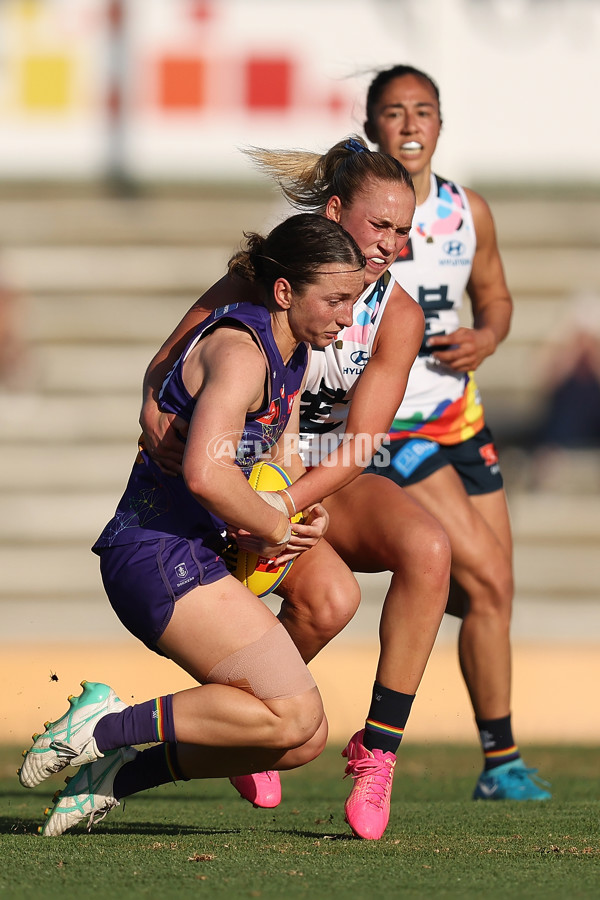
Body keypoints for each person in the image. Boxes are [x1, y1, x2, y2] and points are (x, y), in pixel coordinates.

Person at [139, 137, 452, 840]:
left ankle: (378, 750)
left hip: (320, 477)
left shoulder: (397, 316)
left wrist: (284, 502)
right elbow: (167, 361)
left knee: (430, 549)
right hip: (247, 475)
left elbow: (361, 445)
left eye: (403, 231)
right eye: (379, 226)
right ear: (337, 211)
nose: (391, 244)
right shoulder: (269, 277)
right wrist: (153, 414)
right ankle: (247, 718)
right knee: (331, 599)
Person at [18, 213, 368, 837]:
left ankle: (116, 777)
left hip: (193, 553)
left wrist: (298, 511)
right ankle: (101, 727)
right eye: (336, 300)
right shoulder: (240, 351)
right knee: (291, 715)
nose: (347, 316)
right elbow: (208, 476)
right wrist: (269, 527)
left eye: (354, 300)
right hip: (156, 553)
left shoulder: (292, 355)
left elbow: (275, 461)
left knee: (299, 742)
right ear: (284, 292)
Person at [363, 64, 550, 800]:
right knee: (488, 577)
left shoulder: (467, 209)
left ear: (441, 122)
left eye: (424, 111)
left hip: (461, 421)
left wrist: (487, 338)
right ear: (370, 122)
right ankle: (484, 761)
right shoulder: (358, 212)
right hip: (395, 426)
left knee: (489, 594)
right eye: (394, 112)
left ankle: (499, 761)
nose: (410, 125)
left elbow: (495, 295)